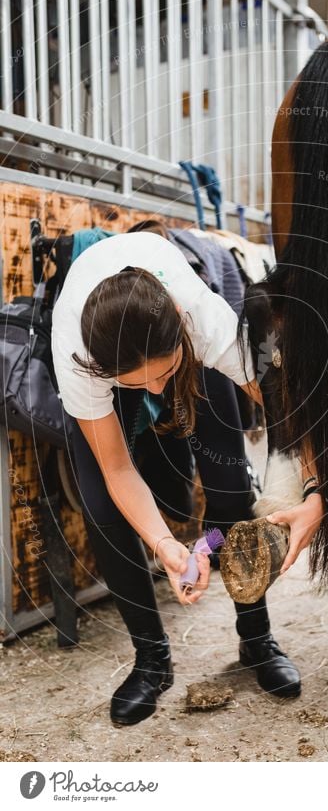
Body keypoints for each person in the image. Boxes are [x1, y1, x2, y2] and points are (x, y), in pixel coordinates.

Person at [51, 230, 301, 725]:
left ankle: (256, 638)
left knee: (230, 489)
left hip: (182, 346)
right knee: (102, 506)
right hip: (112, 362)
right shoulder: (77, 356)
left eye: (163, 377)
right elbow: (119, 468)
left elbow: (282, 411)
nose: (157, 390)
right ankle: (152, 661)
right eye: (142, 384)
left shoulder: (203, 321)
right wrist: (167, 546)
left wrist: (302, 484)